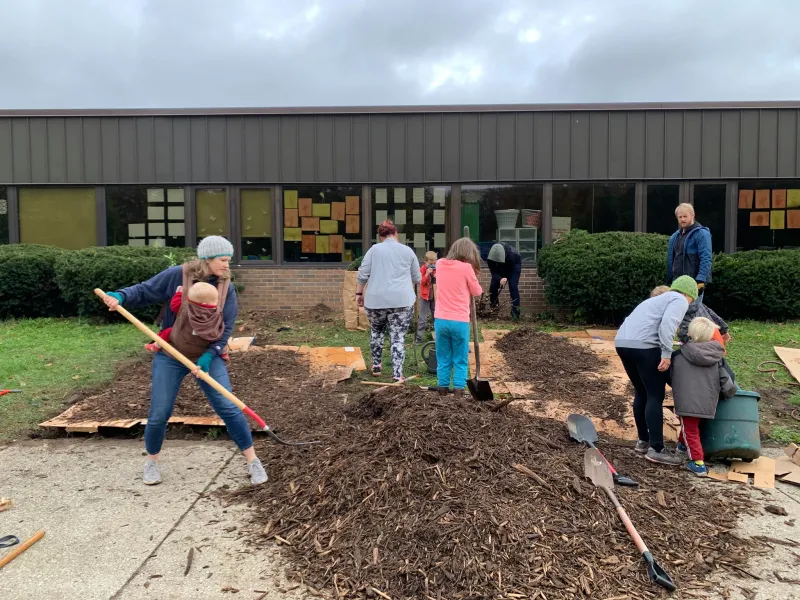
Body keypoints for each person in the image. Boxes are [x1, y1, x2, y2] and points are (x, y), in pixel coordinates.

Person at [102, 236, 267, 487]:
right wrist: (120, 297)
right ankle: (152, 462)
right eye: (223, 260)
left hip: (207, 355)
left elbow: (227, 327)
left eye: (228, 261)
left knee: (228, 407)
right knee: (159, 412)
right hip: (171, 353)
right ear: (207, 259)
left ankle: (253, 460)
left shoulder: (226, 287)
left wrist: (210, 355)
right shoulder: (177, 275)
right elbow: (146, 290)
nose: (227, 266)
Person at [614, 275, 698, 466]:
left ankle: (643, 441)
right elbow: (668, 324)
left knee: (641, 392)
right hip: (645, 347)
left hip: (623, 343)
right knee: (654, 394)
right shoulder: (678, 299)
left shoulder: (655, 300)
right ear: (688, 294)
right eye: (692, 299)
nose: (690, 304)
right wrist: (667, 354)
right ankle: (657, 449)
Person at [671, 317, 737, 477]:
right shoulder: (717, 357)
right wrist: (730, 393)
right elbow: (726, 380)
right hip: (708, 401)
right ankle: (681, 446)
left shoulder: (679, 355)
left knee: (690, 430)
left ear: (691, 333)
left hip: (687, 399)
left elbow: (670, 375)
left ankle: (697, 463)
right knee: (692, 427)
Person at [356, 220, 421, 382]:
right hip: (401, 302)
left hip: (375, 301)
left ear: (380, 236)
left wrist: (359, 293)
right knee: (398, 337)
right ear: (396, 233)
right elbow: (416, 277)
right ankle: (397, 374)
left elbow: (363, 274)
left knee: (376, 331)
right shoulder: (407, 251)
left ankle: (377, 365)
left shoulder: (373, 250)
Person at [433, 237, 483, 398]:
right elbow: (477, 291)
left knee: (443, 356)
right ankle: (459, 391)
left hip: (441, 319)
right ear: (469, 254)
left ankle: (442, 389)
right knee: (460, 358)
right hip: (460, 320)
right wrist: (473, 276)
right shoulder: (467, 268)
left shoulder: (440, 264)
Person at [666, 203, 712, 302]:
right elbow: (671, 260)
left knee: (693, 313)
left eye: (685, 216)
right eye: (680, 217)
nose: (682, 219)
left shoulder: (702, 234)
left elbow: (706, 258)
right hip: (676, 282)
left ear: (693, 215)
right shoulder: (675, 236)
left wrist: (700, 280)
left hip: (693, 283)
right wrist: (669, 280)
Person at [486, 243, 522, 319]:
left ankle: (515, 314)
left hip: (514, 264)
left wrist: (505, 279)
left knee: (513, 286)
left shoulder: (511, 256)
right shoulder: (490, 259)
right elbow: (493, 272)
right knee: (493, 287)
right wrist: (500, 279)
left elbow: (509, 272)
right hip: (500, 264)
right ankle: (494, 311)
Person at [415, 251, 438, 344]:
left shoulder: (438, 269)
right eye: (430, 263)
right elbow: (421, 282)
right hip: (425, 297)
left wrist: (437, 276)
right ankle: (419, 338)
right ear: (426, 262)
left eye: (434, 263)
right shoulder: (423, 269)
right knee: (422, 318)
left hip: (435, 296)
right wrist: (427, 274)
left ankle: (438, 336)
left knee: (436, 316)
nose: (432, 265)